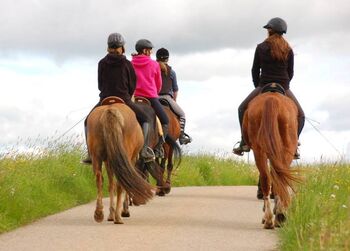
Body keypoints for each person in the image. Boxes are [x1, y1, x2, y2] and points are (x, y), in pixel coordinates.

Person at [232, 17, 305, 159]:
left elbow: (254, 70)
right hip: (283, 86)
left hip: (263, 85)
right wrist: (284, 86)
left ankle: (244, 142)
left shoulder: (261, 47)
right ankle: (294, 144)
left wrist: (259, 87)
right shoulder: (288, 49)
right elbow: (291, 73)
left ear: (270, 30)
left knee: (241, 109)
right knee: (301, 115)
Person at [82, 33, 155, 164]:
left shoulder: (101, 63)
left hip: (104, 99)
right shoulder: (127, 64)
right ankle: (144, 150)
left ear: (108, 47)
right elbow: (132, 85)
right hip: (124, 99)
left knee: (87, 121)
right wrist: (126, 95)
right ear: (122, 48)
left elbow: (100, 85)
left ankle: (90, 154)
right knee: (146, 119)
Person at [131, 39, 169, 158]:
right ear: (145, 50)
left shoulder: (130, 63)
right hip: (150, 97)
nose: (151, 52)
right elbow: (158, 84)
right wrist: (154, 92)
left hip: (133, 97)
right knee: (165, 121)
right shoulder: (154, 64)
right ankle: (157, 149)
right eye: (150, 50)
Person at [156, 47, 192, 145]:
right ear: (167, 59)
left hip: (153, 97)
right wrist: (174, 101)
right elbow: (175, 90)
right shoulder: (171, 72)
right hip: (166, 97)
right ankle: (181, 136)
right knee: (182, 115)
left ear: (157, 58)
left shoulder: (152, 69)